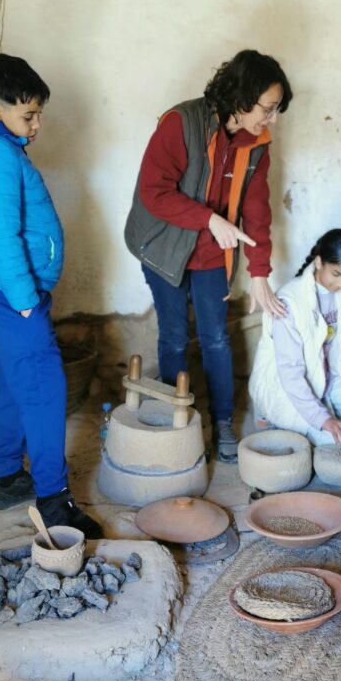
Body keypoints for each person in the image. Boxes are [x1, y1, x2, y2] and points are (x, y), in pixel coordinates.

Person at [0, 54, 102, 539]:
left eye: (38, 114)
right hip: (12, 291)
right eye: (28, 115)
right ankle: (54, 499)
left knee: (11, 380)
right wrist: (26, 299)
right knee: (43, 384)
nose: (37, 125)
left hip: (4, 287)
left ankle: (9, 477)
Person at [125, 50, 292, 463]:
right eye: (268, 108)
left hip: (213, 251)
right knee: (174, 335)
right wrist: (208, 219)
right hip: (164, 245)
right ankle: (175, 417)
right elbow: (154, 192)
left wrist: (259, 273)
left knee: (217, 337)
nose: (272, 119)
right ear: (242, 96)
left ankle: (222, 420)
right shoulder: (181, 123)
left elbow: (257, 210)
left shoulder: (257, 144)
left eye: (276, 110)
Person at [249, 230, 341, 445]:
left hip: (327, 381)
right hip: (288, 389)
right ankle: (270, 414)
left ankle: (327, 416)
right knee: (340, 441)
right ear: (318, 262)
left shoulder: (339, 295)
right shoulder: (289, 303)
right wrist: (324, 420)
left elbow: (336, 346)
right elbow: (290, 374)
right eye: (336, 274)